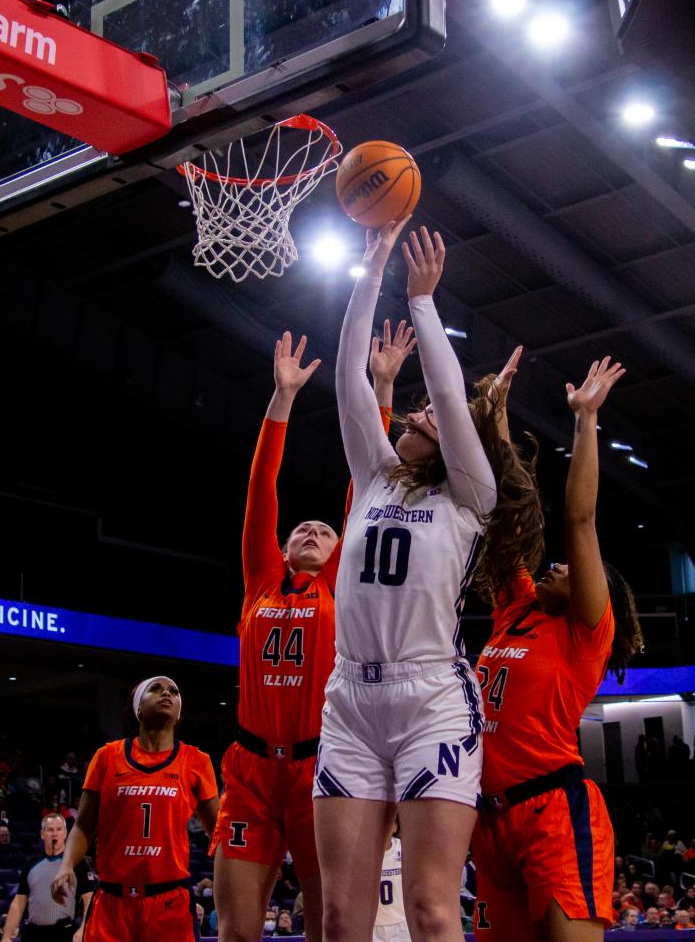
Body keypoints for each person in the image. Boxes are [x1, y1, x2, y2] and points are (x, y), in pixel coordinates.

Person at [318, 220, 539, 942]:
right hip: (349, 696)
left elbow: (449, 398)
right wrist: (370, 266)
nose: (414, 412)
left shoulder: (468, 496)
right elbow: (349, 371)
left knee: (432, 909)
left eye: (425, 415)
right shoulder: (375, 472)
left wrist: (422, 302)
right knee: (339, 915)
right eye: (411, 411)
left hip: (429, 703)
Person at [211, 326, 412, 942]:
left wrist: (382, 386)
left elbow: (367, 488)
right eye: (301, 529)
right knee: (238, 932)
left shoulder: (340, 590)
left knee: (331, 927)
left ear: (340, 550)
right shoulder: (261, 584)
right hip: (249, 770)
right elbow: (260, 493)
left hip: (320, 768)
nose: (309, 532)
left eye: (325, 532)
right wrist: (282, 399)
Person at [471, 357, 644, 942]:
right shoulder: (516, 606)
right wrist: (494, 416)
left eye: (570, 569)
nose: (558, 564)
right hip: (487, 819)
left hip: (552, 809)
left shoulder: (584, 632)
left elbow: (580, 518)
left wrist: (585, 420)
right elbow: (504, 514)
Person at [50, 676, 219, 942]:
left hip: (170, 902)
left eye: (173, 691)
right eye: (156, 689)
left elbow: (217, 832)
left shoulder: (197, 761)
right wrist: (66, 865)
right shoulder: (106, 757)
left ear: (178, 714)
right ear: (138, 708)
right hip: (112, 900)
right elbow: (84, 824)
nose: (166, 693)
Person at [2, 814, 95, 942]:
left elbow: (89, 899)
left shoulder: (77, 863)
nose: (54, 834)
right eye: (50, 830)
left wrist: (83, 928)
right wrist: (6, 935)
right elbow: (19, 901)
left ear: (65, 833)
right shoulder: (31, 864)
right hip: (33, 933)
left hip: (64, 932)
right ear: (42, 834)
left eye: (59, 829)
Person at [374, 822, 409, 942]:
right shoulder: (362, 853)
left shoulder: (405, 850)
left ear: (395, 827)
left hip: (402, 924)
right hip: (372, 925)